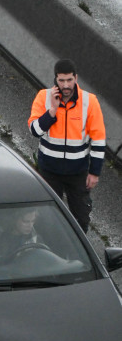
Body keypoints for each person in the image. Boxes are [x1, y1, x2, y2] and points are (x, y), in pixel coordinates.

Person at [29, 59, 106, 231]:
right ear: (55, 79)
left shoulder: (90, 102)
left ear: (76, 78)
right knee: (46, 221)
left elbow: (98, 139)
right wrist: (52, 111)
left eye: (69, 80)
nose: (66, 85)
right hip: (49, 171)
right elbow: (34, 131)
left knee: (81, 220)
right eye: (61, 80)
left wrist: (94, 172)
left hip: (77, 173)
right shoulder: (43, 97)